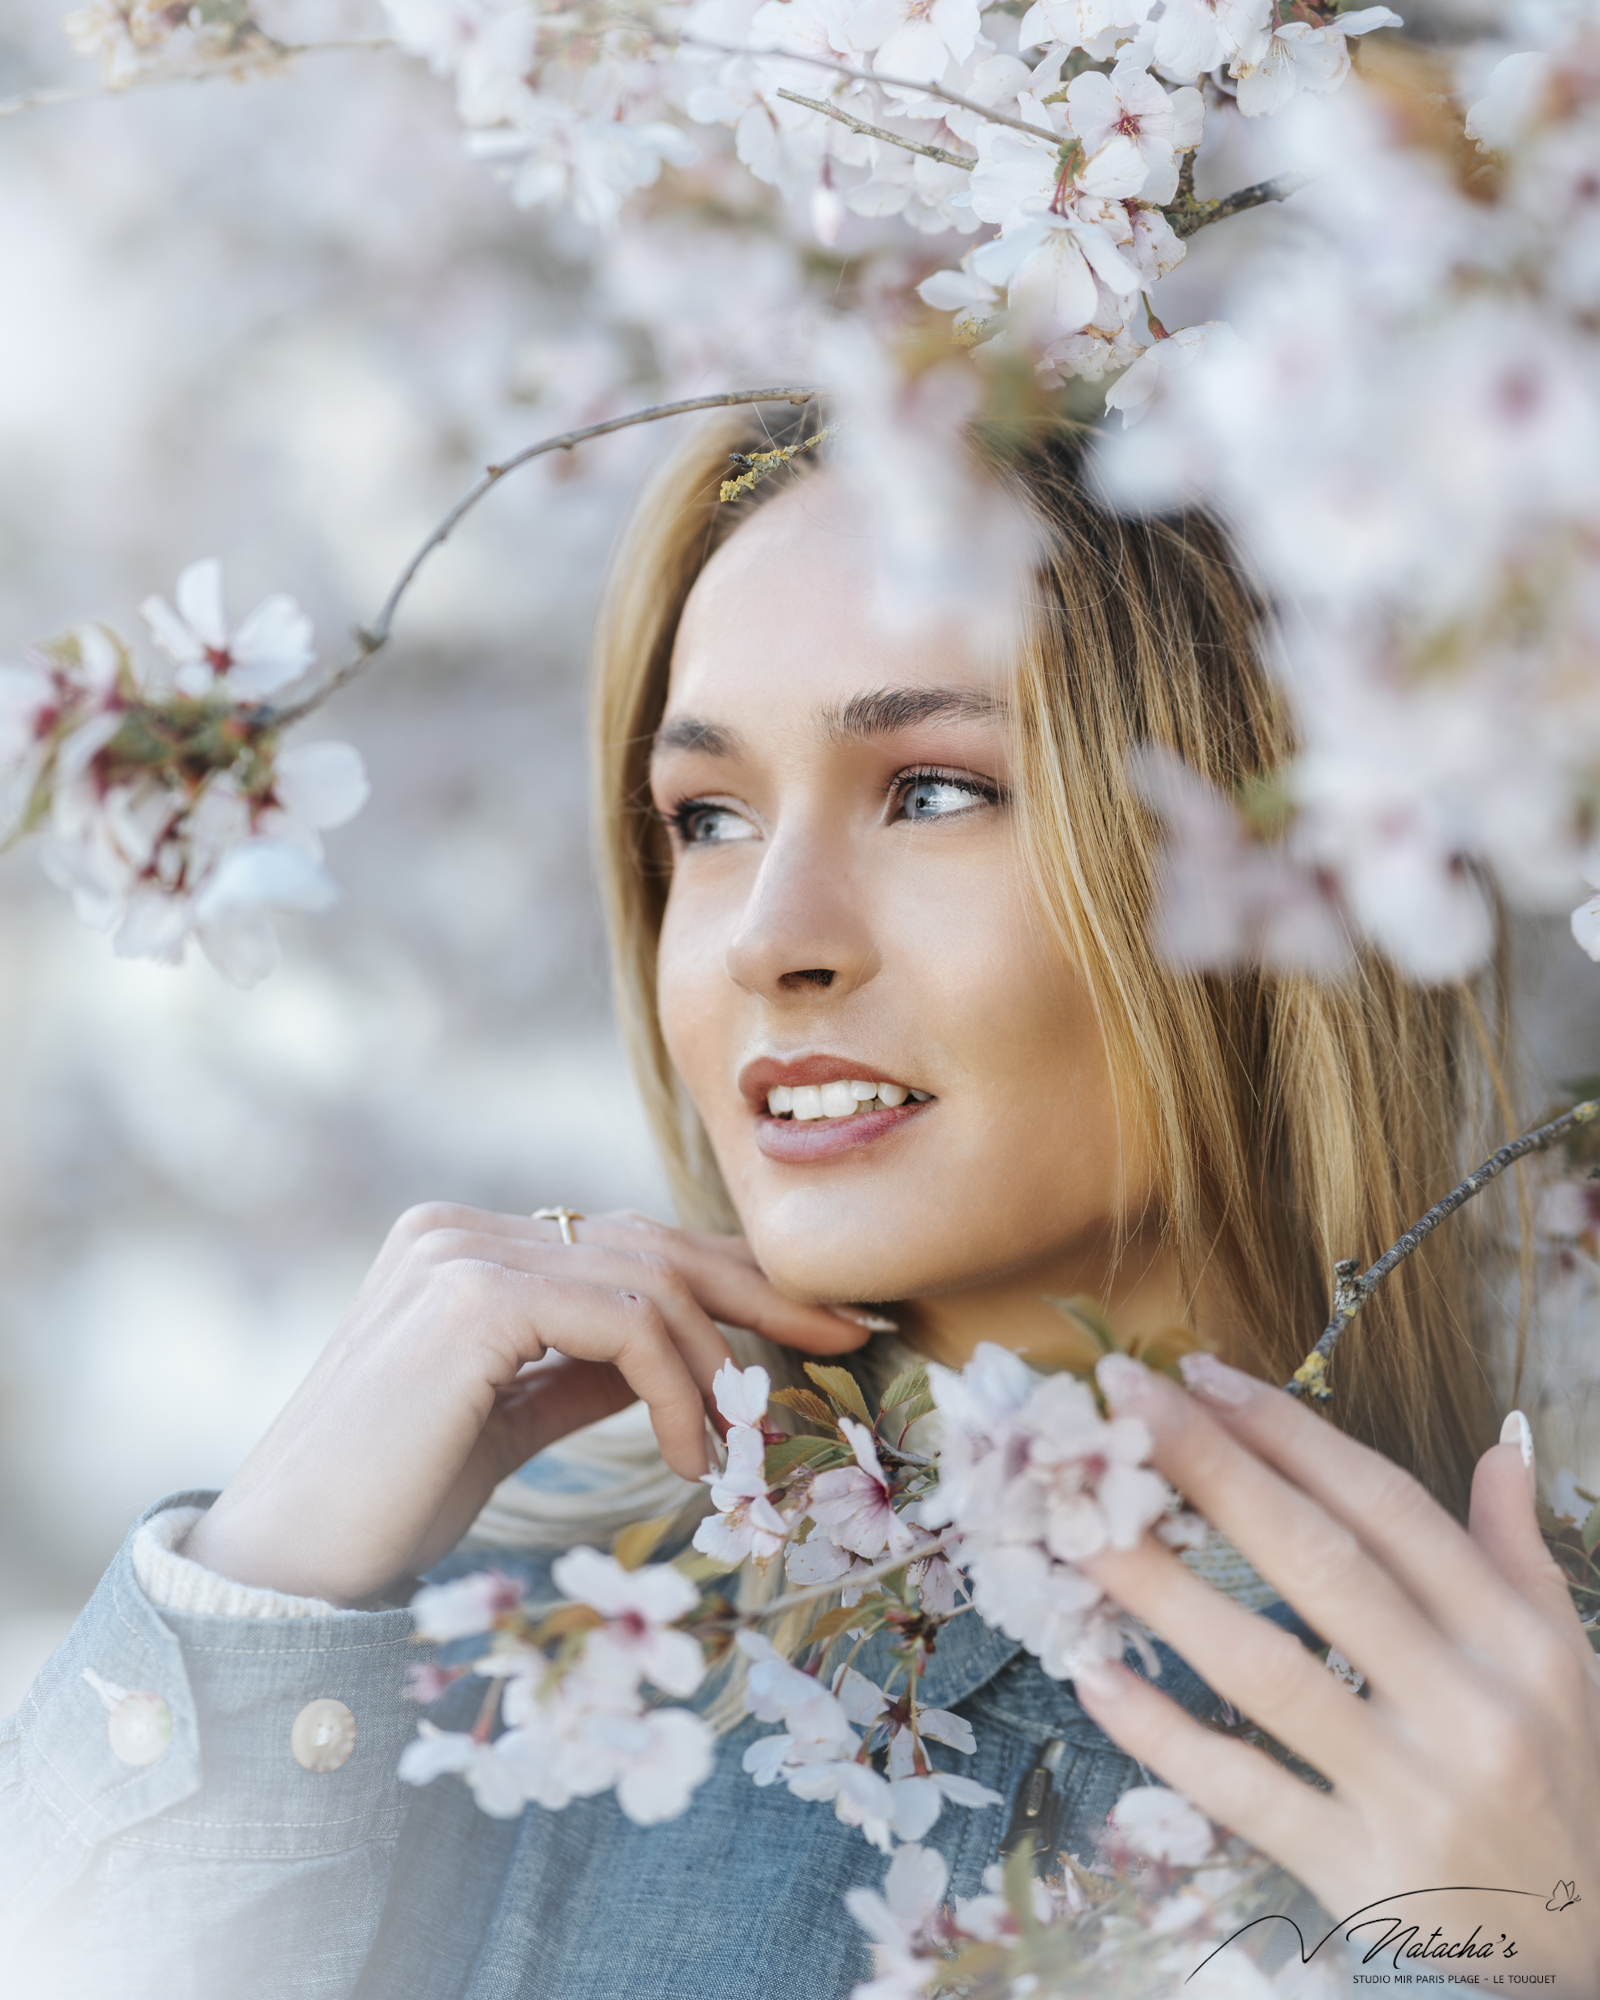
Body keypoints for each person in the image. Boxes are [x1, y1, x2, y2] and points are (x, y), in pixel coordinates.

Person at [4, 414, 1597, 1998]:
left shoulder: (1545, 1776)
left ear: (1269, 866)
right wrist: (251, 1604)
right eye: (707, 818)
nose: (769, 939)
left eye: (934, 791)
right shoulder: (492, 1694)